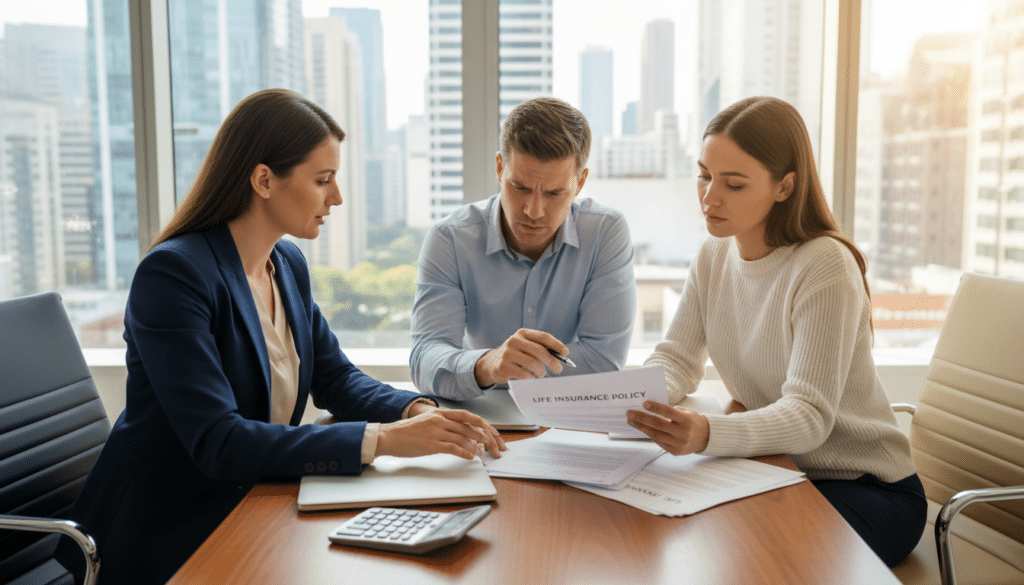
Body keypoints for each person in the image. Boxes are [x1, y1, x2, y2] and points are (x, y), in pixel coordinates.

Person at [56, 88, 505, 585]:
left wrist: (418, 413)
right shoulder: (175, 275)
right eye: (323, 180)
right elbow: (219, 442)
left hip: (252, 504)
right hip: (169, 533)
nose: (336, 197)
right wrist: (387, 441)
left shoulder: (285, 263)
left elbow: (335, 378)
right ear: (264, 180)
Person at [626, 96, 926, 566]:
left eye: (734, 184)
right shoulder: (713, 256)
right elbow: (677, 361)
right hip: (777, 468)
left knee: (738, 548)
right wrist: (635, 401)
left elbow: (808, 417)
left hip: (865, 488)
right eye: (704, 175)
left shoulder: (824, 265)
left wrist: (706, 434)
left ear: (785, 186)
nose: (710, 197)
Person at [410, 97, 636, 401]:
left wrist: (515, 367)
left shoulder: (605, 232)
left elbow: (604, 362)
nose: (534, 211)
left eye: (555, 193)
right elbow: (424, 357)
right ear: (500, 168)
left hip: (568, 418)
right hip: (482, 417)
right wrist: (486, 365)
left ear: (580, 182)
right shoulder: (449, 239)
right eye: (520, 188)